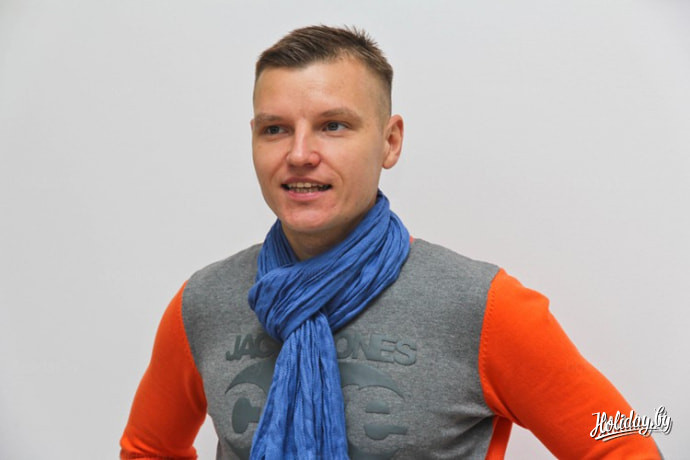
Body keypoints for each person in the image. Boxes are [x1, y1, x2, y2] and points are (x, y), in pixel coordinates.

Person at [120, 25, 662, 459]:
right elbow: (148, 450)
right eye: (275, 129)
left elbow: (622, 440)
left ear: (390, 141)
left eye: (333, 125)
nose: (300, 154)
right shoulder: (204, 303)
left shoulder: (482, 306)